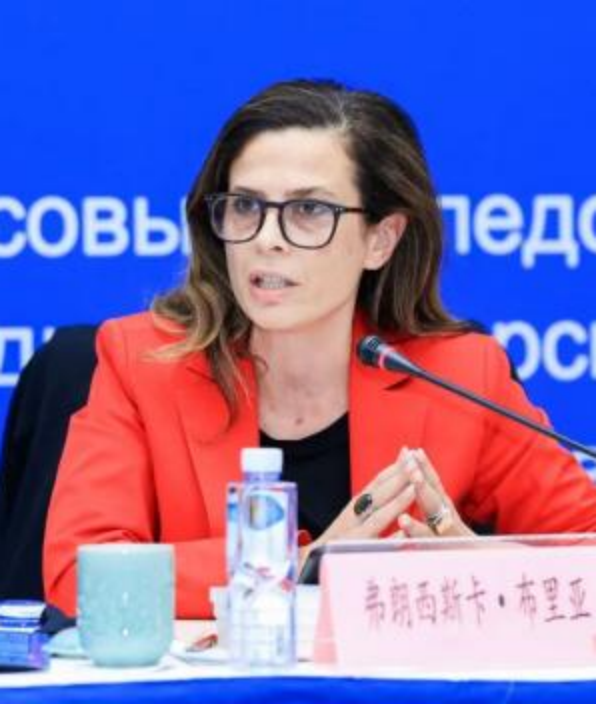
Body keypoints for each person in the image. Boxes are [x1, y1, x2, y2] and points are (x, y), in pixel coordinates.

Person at [44, 79, 596, 619]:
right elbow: (79, 577)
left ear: (380, 239)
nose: (267, 238)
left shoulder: (461, 376)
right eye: (245, 205)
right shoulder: (142, 363)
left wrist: (481, 568)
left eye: (309, 210)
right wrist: (302, 564)